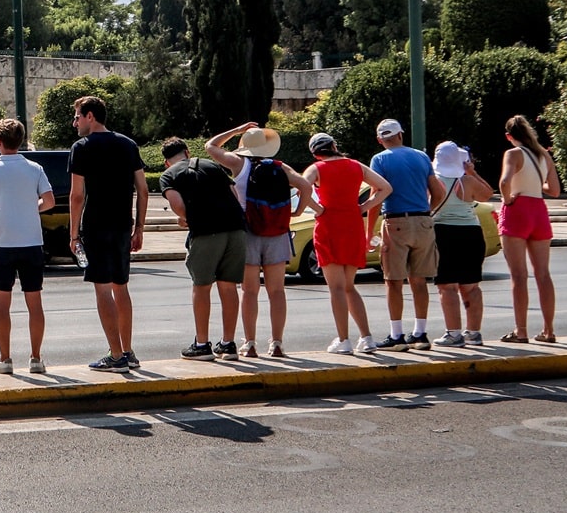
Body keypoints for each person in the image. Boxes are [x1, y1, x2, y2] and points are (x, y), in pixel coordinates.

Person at [205, 124, 315, 358]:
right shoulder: (280, 167)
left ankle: (250, 343)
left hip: (248, 232)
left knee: (249, 291)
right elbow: (305, 186)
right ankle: (276, 343)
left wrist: (235, 130)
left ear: (245, 146)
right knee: (277, 291)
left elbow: (210, 146)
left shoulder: (238, 164)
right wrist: (296, 213)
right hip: (277, 232)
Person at [69, 96, 147, 373]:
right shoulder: (128, 144)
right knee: (121, 286)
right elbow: (143, 188)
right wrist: (139, 227)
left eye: (78, 116)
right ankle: (127, 350)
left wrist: (73, 233)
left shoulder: (82, 148)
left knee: (102, 288)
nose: (75, 122)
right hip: (123, 225)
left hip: (97, 225)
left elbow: (77, 195)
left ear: (90, 116)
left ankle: (116, 356)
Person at [302, 132, 395, 355]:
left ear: (315, 153)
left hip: (328, 226)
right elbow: (385, 187)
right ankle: (367, 337)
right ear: (334, 146)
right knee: (349, 286)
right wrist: (363, 207)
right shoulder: (356, 166)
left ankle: (343, 339)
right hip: (352, 224)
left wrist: (318, 209)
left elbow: (302, 189)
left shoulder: (316, 169)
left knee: (335, 288)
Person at [0, 118, 55, 374]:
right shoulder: (35, 168)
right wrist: (33, 207)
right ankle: (36, 358)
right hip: (32, 241)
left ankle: (5, 358)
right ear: (20, 141)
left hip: (3, 243)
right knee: (35, 303)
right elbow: (50, 201)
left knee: (2, 305)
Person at [161, 137, 247, 361]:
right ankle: (228, 344)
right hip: (236, 229)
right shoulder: (212, 165)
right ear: (188, 152)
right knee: (229, 287)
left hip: (207, 233)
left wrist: (186, 218)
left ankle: (201, 344)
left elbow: (177, 205)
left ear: (166, 162)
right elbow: (234, 195)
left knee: (202, 287)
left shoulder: (169, 175)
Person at [371, 119, 446, 351]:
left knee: (393, 280)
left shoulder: (379, 159)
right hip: (423, 219)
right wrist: (428, 212)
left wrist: (369, 231)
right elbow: (439, 192)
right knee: (419, 279)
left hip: (396, 221)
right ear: (400, 135)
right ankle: (420, 333)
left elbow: (377, 195)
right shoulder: (421, 157)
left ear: (380, 139)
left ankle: (396, 335)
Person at [497, 115, 561, 343]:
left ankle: (521, 330)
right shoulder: (543, 154)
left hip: (518, 210)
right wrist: (535, 183)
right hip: (539, 211)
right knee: (543, 274)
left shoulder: (513, 154)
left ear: (509, 136)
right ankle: (548, 330)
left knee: (519, 276)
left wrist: (508, 199)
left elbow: (505, 182)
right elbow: (554, 190)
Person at [430, 141, 493, 347]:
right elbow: (487, 193)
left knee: (447, 286)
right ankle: (474, 333)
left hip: (443, 232)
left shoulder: (433, 180)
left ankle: (453, 334)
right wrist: (472, 172)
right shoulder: (467, 181)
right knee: (471, 286)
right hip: (471, 232)